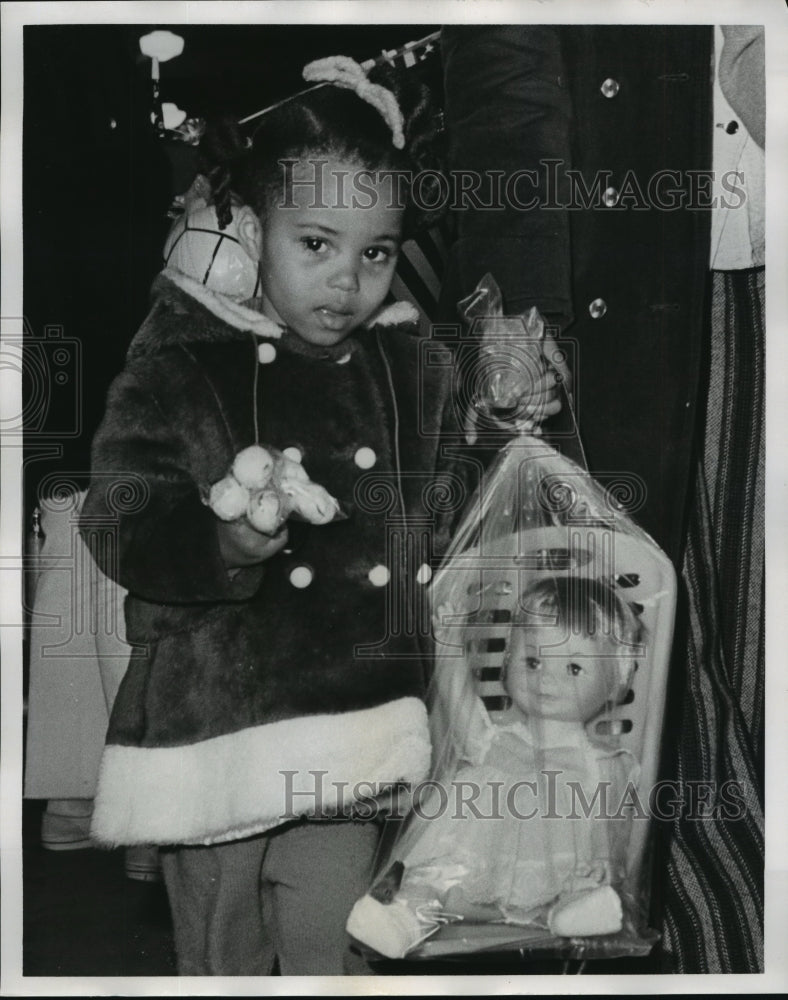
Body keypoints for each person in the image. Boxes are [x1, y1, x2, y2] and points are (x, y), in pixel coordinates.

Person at [80, 52, 560, 976]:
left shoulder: (405, 364)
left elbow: (443, 501)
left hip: (355, 723)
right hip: (214, 728)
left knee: (334, 946)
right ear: (251, 233)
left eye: (373, 252)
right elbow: (117, 515)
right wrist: (219, 541)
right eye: (316, 243)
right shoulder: (184, 359)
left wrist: (502, 426)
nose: (348, 280)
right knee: (222, 954)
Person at [438, 24, 764, 974]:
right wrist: (515, 306)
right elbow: (505, 66)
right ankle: (720, 942)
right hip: (638, 288)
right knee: (654, 659)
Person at [346, 577, 643, 959]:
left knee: (580, 881)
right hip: (473, 868)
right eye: (532, 661)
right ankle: (404, 921)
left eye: (572, 668)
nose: (545, 678)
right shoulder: (498, 738)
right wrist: (451, 644)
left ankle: (571, 911)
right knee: (431, 878)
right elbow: (461, 706)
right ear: (508, 661)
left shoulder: (599, 760)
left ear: (613, 682)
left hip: (551, 872)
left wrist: (605, 865)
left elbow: (611, 823)